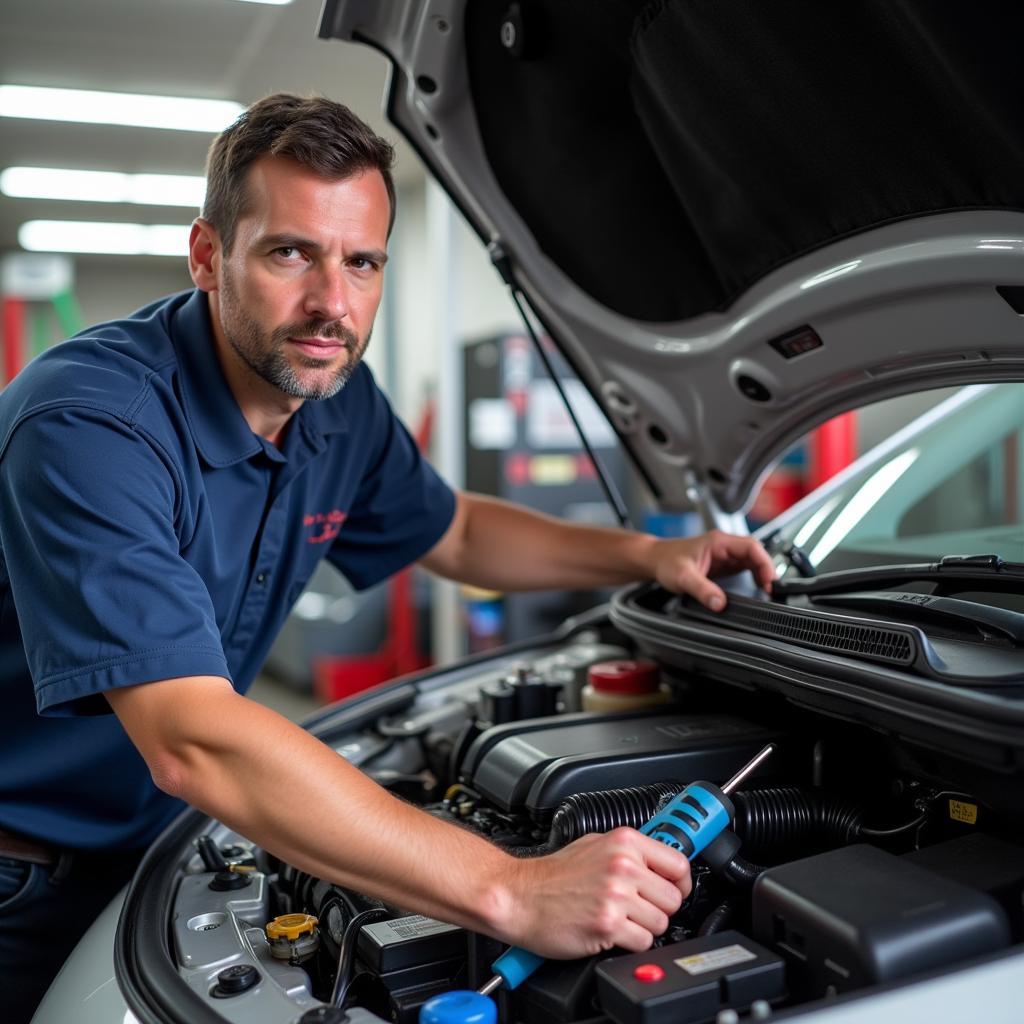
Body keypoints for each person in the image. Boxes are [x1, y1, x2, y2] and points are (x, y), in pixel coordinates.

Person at [0, 93, 776, 1021]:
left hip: (163, 843)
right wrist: (512, 888)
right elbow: (191, 737)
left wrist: (651, 555)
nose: (333, 302)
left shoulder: (339, 401)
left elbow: (455, 532)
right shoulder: (90, 423)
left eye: (361, 261)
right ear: (208, 256)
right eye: (292, 252)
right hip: (23, 878)